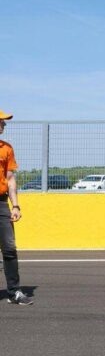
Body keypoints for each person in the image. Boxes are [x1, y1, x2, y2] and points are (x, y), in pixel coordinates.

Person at [0, 110, 33, 305]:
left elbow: (10, 179)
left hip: (1, 203)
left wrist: (16, 206)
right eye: (1, 122)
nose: (4, 125)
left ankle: (14, 292)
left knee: (10, 248)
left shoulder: (6, 149)